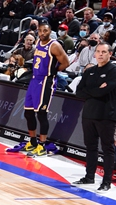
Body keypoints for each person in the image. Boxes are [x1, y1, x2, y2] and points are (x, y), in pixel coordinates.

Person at [6, 21, 70, 156]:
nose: (42, 33)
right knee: (29, 113)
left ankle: (42, 145)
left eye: (45, 31)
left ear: (50, 31)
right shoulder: (38, 43)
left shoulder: (55, 45)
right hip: (34, 80)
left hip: (46, 81)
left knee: (41, 113)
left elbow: (66, 62)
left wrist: (53, 71)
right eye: (40, 31)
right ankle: (33, 141)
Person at [76, 42, 115, 191]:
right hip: (88, 113)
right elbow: (79, 92)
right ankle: (89, 176)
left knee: (107, 149)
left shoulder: (113, 70)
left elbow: (103, 92)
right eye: (98, 51)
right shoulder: (89, 71)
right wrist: (96, 89)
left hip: (106, 115)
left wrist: (91, 91)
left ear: (110, 54)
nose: (100, 54)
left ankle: (106, 182)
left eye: (104, 52)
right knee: (90, 146)